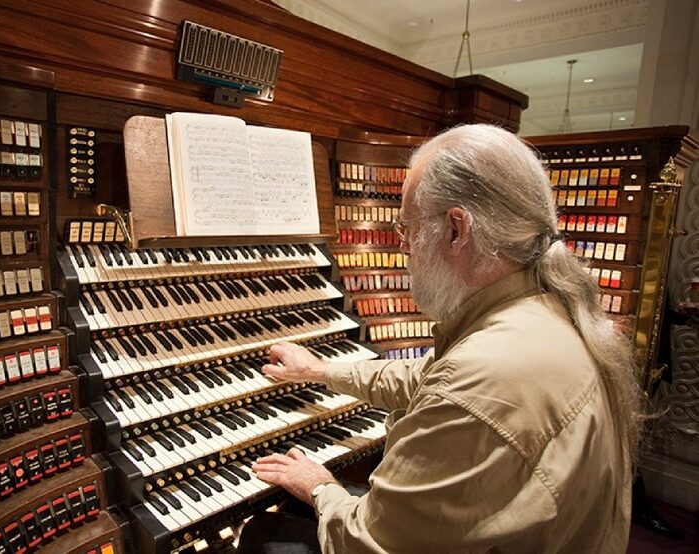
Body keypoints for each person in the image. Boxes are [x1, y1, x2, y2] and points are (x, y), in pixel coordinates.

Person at [240, 124, 643, 553]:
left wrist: (320, 487)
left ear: (456, 229)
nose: (404, 249)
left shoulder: (480, 376)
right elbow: (429, 377)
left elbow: (365, 544)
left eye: (406, 229)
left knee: (265, 534)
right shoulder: (549, 309)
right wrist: (321, 370)